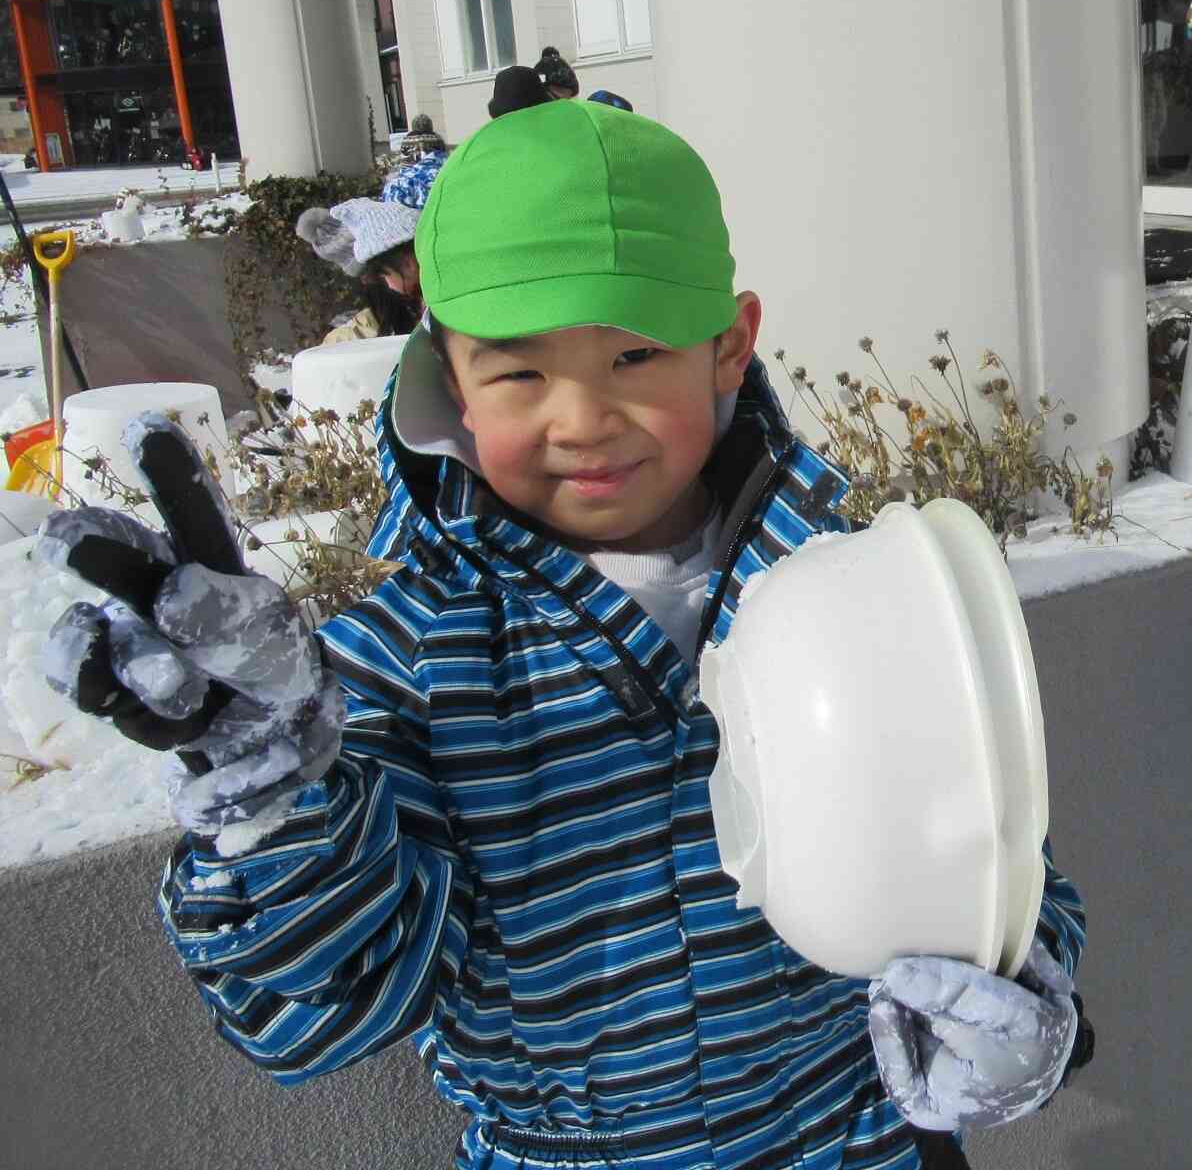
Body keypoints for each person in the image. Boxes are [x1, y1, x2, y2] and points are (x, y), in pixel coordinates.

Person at [36, 99, 1091, 1169]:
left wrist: (1016, 999)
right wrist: (277, 798)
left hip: (858, 1147)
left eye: (633, 356)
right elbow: (316, 1017)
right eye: (520, 371)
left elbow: (992, 851)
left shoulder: (854, 587)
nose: (581, 419)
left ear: (727, 346)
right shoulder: (396, 666)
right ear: (452, 378)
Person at [294, 148, 449, 340]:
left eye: (381, 276)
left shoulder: (440, 308)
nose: (387, 287)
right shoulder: (435, 296)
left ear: (407, 260)